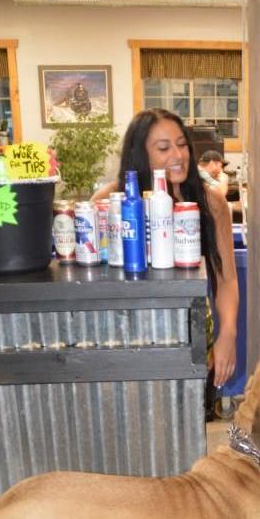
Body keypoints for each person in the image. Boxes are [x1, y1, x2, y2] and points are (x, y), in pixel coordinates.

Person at [93, 109, 238, 390]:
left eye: (182, 145)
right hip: (127, 340)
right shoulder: (110, 201)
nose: (178, 155)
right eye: (163, 148)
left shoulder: (211, 202)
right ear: (140, 154)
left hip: (193, 336)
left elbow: (227, 278)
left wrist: (228, 334)